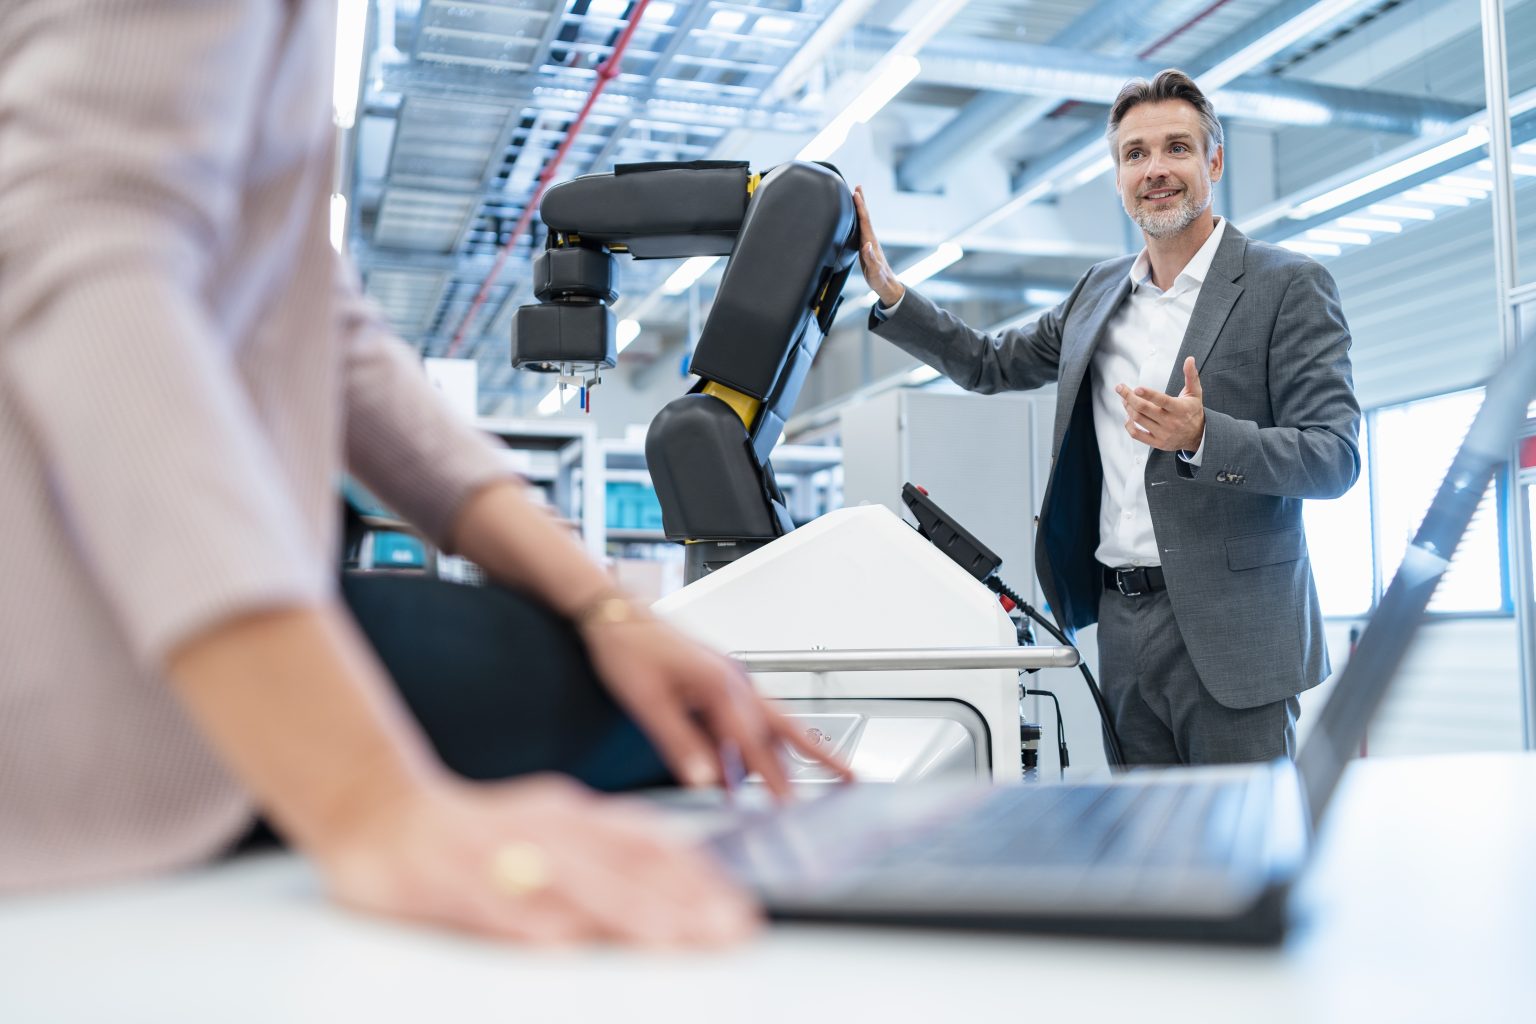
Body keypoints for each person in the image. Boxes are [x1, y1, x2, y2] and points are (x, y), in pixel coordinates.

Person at [0, 0, 846, 945]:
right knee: (653, 730)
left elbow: (330, 335)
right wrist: (372, 801)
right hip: (64, 641)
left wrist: (606, 609)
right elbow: (82, 252)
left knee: (656, 701)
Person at [854, 69, 1361, 766]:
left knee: (1246, 858)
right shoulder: (1097, 294)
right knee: (1145, 854)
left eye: (1177, 148)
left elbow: (1334, 456)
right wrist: (893, 294)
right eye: (1136, 154)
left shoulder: (1286, 286)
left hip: (1235, 632)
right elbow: (988, 363)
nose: (1156, 169)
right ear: (1118, 177)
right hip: (1122, 623)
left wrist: (1204, 436)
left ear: (1213, 161)